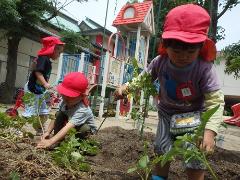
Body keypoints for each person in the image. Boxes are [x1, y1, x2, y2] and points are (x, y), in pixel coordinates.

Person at [114, 4, 224, 180]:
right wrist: (125, 88)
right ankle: (159, 177)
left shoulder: (204, 69)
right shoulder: (160, 62)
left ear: (200, 47)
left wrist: (209, 132)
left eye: (190, 51)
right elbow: (144, 79)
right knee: (161, 147)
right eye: (177, 51)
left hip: (195, 116)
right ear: (165, 45)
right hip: (167, 113)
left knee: (194, 153)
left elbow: (215, 102)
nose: (184, 56)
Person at [37, 72, 97, 149]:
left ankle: (81, 145)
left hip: (87, 133)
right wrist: (48, 132)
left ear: (82, 96)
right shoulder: (64, 101)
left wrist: (50, 141)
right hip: (74, 127)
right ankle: (58, 140)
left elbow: (68, 127)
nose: (66, 98)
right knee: (59, 114)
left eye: (71, 96)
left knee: (84, 128)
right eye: (64, 95)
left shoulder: (83, 109)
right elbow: (55, 118)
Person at [22, 36, 64, 135]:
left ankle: (39, 130)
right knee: (30, 112)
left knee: (43, 112)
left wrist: (46, 86)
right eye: (59, 52)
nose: (59, 55)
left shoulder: (47, 60)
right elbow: (37, 72)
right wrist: (45, 83)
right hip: (32, 89)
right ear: (53, 49)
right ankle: (19, 127)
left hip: (38, 90)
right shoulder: (43, 58)